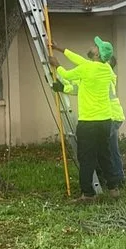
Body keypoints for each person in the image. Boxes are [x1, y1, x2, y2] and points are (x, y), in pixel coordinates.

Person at [49, 37, 119, 202]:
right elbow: (80, 60)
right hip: (105, 121)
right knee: (105, 155)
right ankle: (113, 188)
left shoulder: (87, 69)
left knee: (86, 158)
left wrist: (56, 64)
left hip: (88, 123)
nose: (93, 46)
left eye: (96, 46)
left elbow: (66, 74)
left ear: (97, 54)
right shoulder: (107, 69)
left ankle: (87, 194)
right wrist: (62, 49)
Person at [109, 57, 126, 189]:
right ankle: (117, 176)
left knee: (110, 149)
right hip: (113, 116)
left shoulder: (105, 73)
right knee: (111, 148)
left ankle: (117, 177)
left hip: (112, 117)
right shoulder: (106, 73)